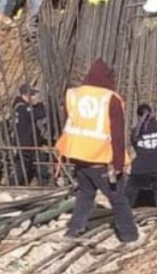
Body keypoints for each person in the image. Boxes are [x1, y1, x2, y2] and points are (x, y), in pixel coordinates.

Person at [56, 59, 138, 243]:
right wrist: (118, 164)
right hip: (101, 159)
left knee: (85, 194)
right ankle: (129, 234)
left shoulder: (74, 95)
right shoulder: (110, 99)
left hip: (78, 156)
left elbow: (68, 123)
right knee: (118, 198)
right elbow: (117, 135)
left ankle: (74, 229)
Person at [12, 83, 48, 185]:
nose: (34, 97)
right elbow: (41, 114)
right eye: (32, 95)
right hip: (26, 144)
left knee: (25, 166)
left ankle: (42, 183)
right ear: (25, 95)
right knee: (27, 166)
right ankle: (43, 184)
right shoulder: (23, 108)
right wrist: (40, 104)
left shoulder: (19, 106)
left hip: (25, 142)